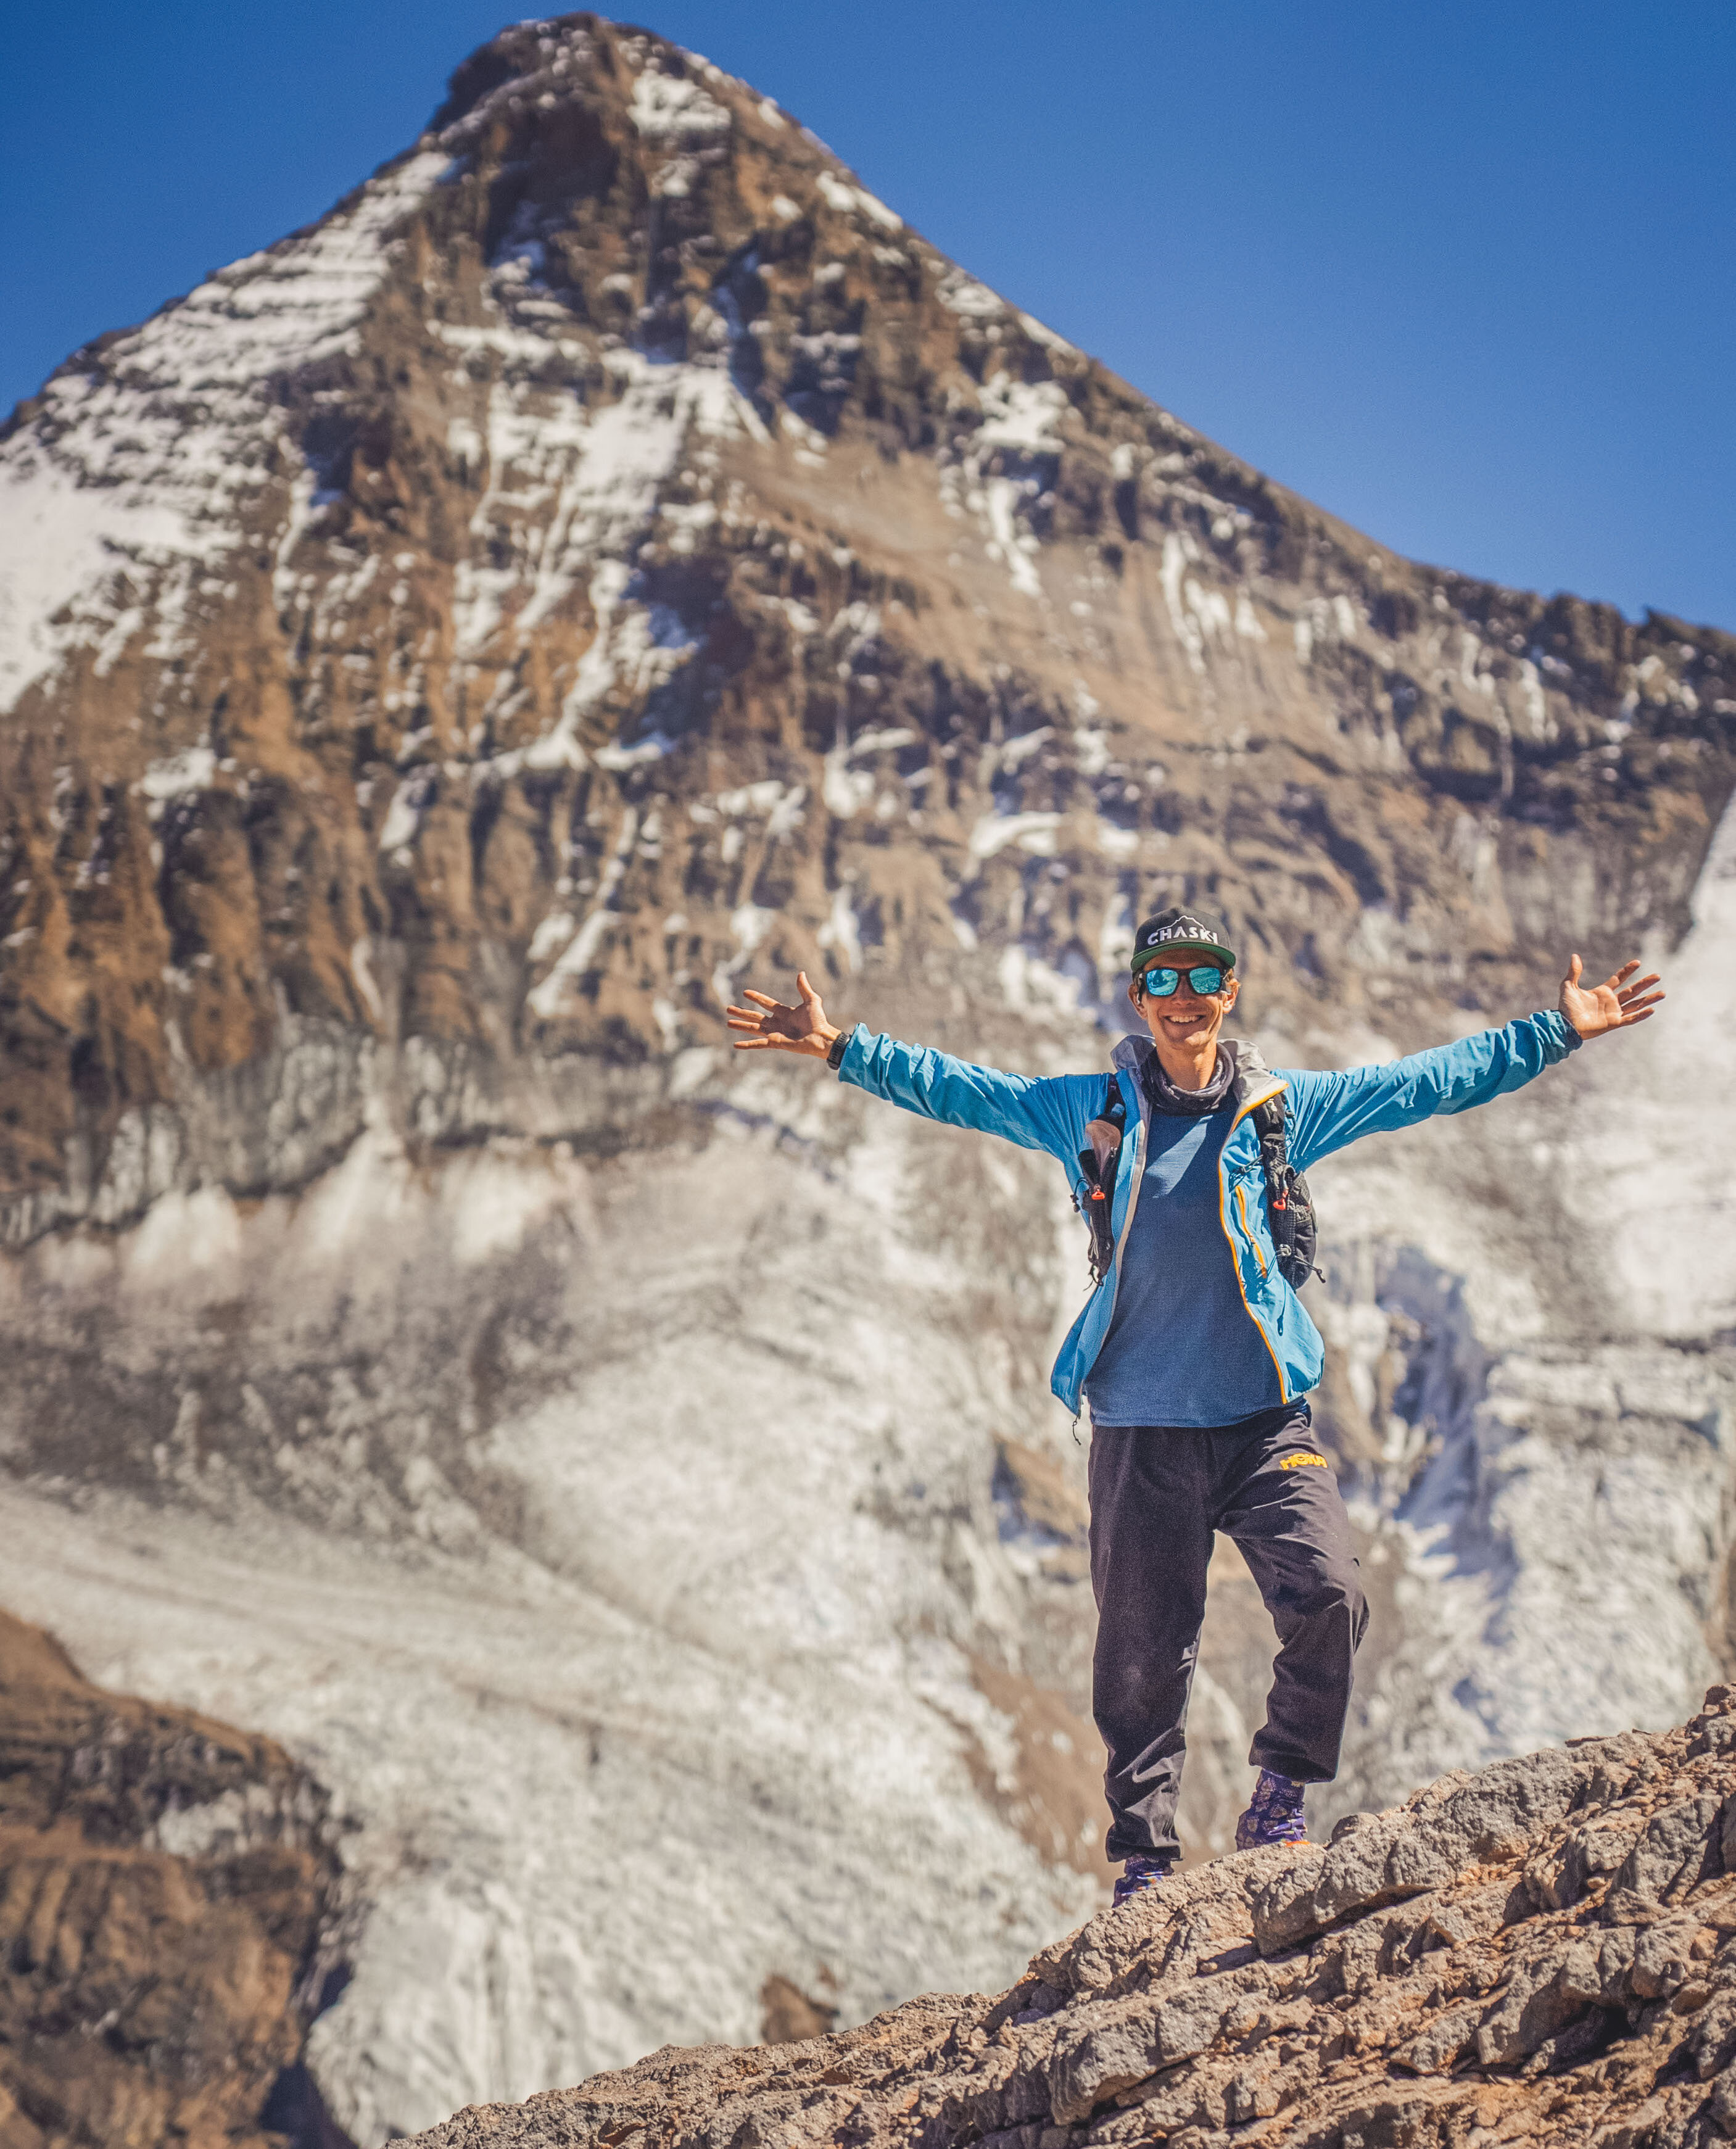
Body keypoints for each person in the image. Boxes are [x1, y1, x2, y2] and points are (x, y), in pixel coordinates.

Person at [726, 909, 1664, 1904]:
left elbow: (1418, 1084)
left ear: (1230, 993)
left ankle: (1277, 1798)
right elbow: (965, 1091)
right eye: (1162, 979)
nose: (1184, 996)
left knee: (1330, 1594)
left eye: (1202, 976)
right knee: (1141, 1656)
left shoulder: (1277, 1109)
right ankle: (1142, 1860)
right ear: (1138, 999)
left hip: (1264, 1423)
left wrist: (1554, 1030)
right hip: (1139, 1429)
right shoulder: (1090, 1110)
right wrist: (837, 1045)